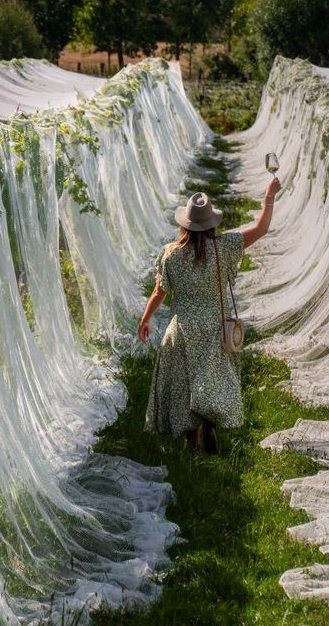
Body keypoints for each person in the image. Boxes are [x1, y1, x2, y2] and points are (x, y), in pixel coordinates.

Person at [138, 177, 281, 453]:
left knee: (185, 385)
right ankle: (210, 423)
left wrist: (146, 319)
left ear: (185, 224)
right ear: (212, 224)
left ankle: (192, 445)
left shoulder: (171, 255)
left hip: (183, 330)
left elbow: (159, 292)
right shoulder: (224, 248)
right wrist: (268, 197)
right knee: (210, 379)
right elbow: (261, 228)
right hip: (216, 328)